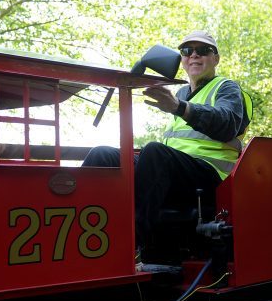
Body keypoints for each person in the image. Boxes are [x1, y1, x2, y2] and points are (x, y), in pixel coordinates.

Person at [83, 30, 252, 253]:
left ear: (216, 59)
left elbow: (227, 122)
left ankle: (133, 247)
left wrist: (179, 108)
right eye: (187, 51)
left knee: (155, 152)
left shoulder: (227, 88)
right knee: (103, 154)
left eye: (203, 51)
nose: (194, 55)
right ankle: (83, 234)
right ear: (181, 59)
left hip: (208, 176)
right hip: (175, 171)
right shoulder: (182, 92)